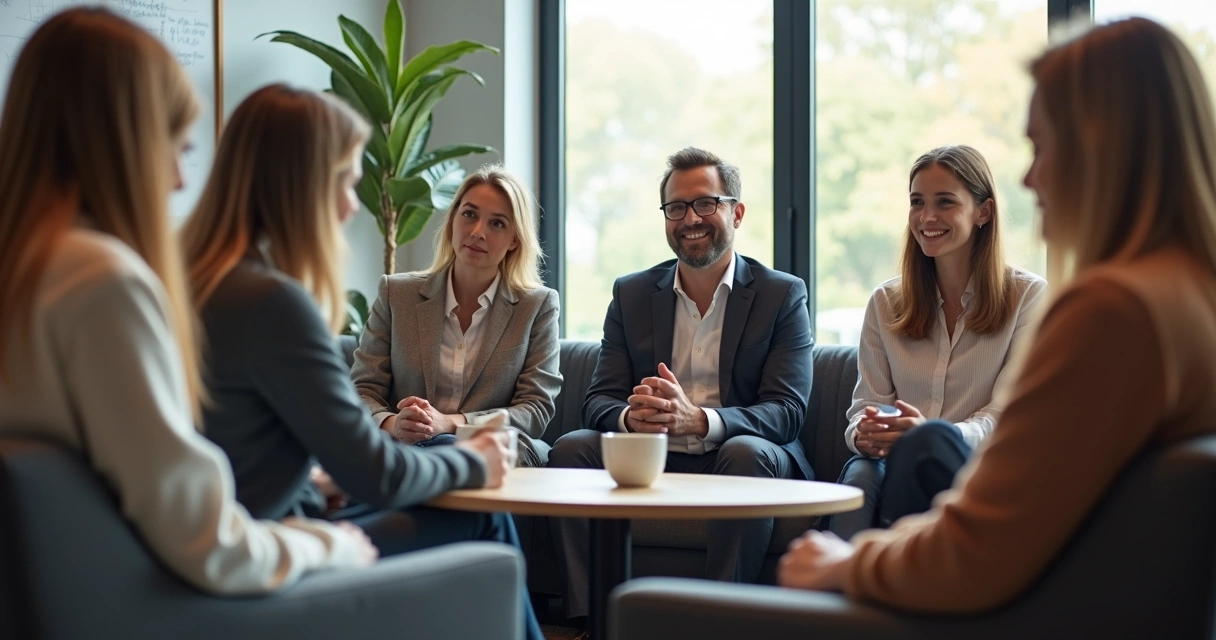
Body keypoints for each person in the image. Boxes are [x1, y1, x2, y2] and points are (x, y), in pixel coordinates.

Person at [779, 16, 1216, 613]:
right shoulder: (1190, 299)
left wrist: (848, 564)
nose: (1030, 178)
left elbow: (976, 549)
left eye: (1043, 146)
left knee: (654, 603)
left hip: (1036, 614)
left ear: (1107, 147)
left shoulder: (1113, 312)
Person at [0, 8, 376, 594]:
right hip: (159, 606)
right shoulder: (105, 283)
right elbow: (208, 544)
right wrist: (328, 546)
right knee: (484, 543)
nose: (178, 180)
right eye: (176, 147)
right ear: (121, 145)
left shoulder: (27, 270)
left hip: (65, 600)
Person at [179, 85, 543, 639]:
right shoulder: (273, 302)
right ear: (301, 187)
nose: (353, 205)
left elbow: (237, 441)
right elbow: (375, 469)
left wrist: (317, 480)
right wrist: (476, 461)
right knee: (481, 512)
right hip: (260, 546)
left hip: (240, 524)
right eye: (348, 181)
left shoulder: (198, 280)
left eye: (497, 223)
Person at [549, 146, 815, 620]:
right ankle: (589, 620)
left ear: (737, 212)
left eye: (705, 203)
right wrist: (634, 417)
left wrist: (699, 420)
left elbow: (787, 410)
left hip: (738, 455)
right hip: (652, 455)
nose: (690, 218)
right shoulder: (631, 293)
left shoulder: (781, 294)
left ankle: (720, 621)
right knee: (572, 448)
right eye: (676, 207)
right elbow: (598, 401)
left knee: (746, 452)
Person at [826, 145, 1046, 540]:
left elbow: (1007, 419)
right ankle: (838, 594)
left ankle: (880, 576)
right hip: (887, 466)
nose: (927, 217)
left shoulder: (1027, 297)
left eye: (945, 202)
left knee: (922, 453)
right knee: (860, 471)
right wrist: (866, 432)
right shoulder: (884, 302)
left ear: (984, 211)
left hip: (974, 465)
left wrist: (931, 435)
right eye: (917, 202)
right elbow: (864, 408)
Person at [350, 165, 561, 468]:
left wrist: (451, 424)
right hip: (405, 446)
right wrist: (393, 424)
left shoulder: (537, 305)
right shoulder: (396, 294)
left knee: (448, 447)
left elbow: (535, 410)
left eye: (497, 223)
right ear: (452, 220)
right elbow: (362, 390)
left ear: (515, 239)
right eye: (469, 214)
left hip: (494, 448)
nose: (478, 232)